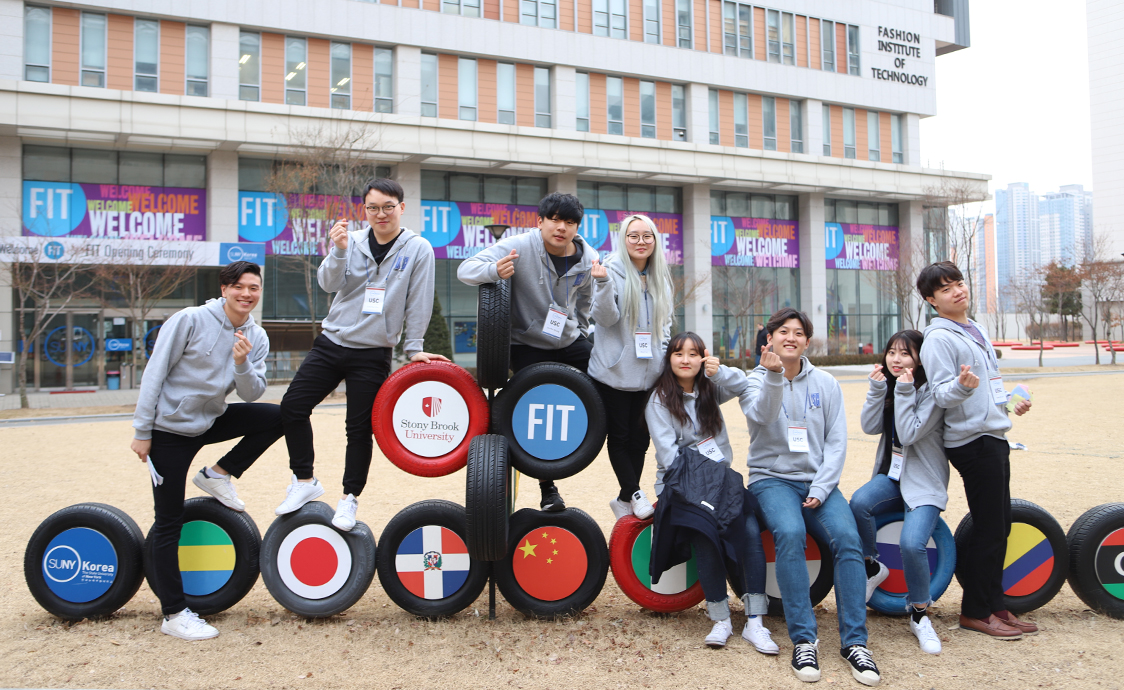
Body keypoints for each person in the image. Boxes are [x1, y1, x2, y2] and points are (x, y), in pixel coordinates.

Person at [275, 178, 447, 530]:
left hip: (373, 352)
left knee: (358, 430)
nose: (380, 214)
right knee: (292, 406)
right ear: (364, 210)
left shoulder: (418, 249)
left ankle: (349, 499)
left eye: (388, 206)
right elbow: (328, 283)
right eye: (372, 208)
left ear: (401, 207)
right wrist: (337, 250)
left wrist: (412, 347)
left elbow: (419, 301)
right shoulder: (350, 239)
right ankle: (304, 482)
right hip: (332, 341)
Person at [130, 261, 283, 641]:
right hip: (169, 430)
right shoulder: (190, 320)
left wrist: (243, 362)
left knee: (281, 417)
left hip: (210, 420)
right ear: (225, 288)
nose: (247, 294)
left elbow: (252, 393)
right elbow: (155, 373)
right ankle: (174, 613)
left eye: (254, 288)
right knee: (168, 522)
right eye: (240, 287)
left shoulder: (255, 336)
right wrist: (142, 430)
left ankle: (217, 473)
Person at [736, 308, 880, 686]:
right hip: (772, 480)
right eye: (783, 331)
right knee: (789, 533)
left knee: (849, 540)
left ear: (807, 341)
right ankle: (804, 638)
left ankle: (855, 642)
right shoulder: (754, 381)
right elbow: (763, 418)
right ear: (769, 339)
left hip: (819, 482)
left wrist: (821, 488)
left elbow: (836, 443)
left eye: (798, 333)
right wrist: (772, 375)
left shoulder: (827, 383)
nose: (791, 337)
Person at [917, 261, 1034, 639]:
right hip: (972, 440)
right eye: (946, 288)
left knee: (1000, 526)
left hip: (993, 433)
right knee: (988, 529)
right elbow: (940, 393)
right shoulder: (939, 338)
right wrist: (964, 387)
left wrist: (1009, 401)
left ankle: (997, 605)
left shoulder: (975, 328)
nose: (957, 291)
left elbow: (989, 383)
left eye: (959, 283)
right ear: (932, 300)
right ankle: (975, 612)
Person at [457, 192, 593, 511]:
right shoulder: (519, 246)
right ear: (541, 221)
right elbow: (467, 269)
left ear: (576, 227)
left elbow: (586, 298)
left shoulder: (587, 258)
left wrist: (583, 329)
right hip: (527, 343)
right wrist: (494, 271)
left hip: (568, 339)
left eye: (569, 222)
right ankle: (549, 489)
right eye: (555, 220)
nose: (561, 227)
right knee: (534, 411)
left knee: (605, 378)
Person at [645, 332, 777, 654]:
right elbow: (669, 457)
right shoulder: (659, 400)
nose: (686, 360)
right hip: (682, 486)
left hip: (720, 481)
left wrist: (720, 372)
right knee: (704, 532)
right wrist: (709, 480)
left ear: (702, 357)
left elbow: (744, 385)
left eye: (693, 354)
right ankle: (720, 618)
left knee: (748, 528)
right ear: (669, 359)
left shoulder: (709, 388)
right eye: (679, 354)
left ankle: (755, 620)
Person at [850, 330, 950, 655]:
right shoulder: (892, 387)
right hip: (892, 478)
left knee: (911, 543)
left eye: (905, 353)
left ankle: (919, 615)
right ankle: (871, 567)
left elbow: (907, 434)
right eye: (892, 352)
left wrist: (905, 389)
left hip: (923, 484)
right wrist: (877, 389)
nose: (896, 359)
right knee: (859, 503)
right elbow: (868, 426)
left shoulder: (932, 393)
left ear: (920, 358)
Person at [588, 214, 673, 521]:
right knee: (620, 435)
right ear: (623, 239)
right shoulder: (610, 270)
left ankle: (625, 496)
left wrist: (663, 361)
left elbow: (665, 325)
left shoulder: (661, 276)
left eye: (647, 236)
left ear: (654, 240)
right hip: (614, 372)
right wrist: (601, 284)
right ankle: (635, 492)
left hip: (650, 374)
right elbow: (605, 318)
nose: (641, 242)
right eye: (633, 236)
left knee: (641, 438)